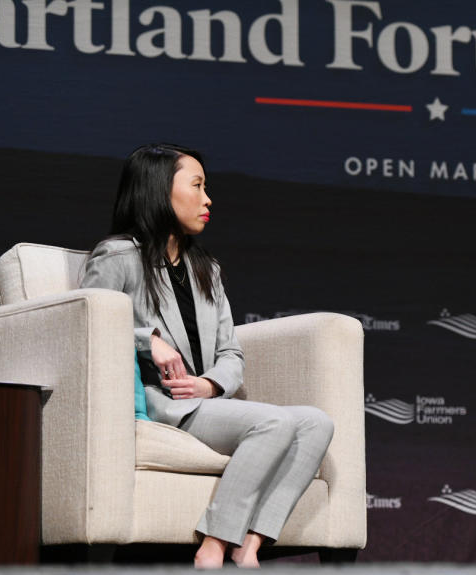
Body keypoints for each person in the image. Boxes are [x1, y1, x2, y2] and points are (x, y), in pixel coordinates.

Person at [80, 143, 334, 568]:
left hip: (204, 399)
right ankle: (213, 546)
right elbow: (88, 324)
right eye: (196, 186)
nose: (207, 198)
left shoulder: (206, 269)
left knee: (317, 422)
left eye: (206, 186)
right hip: (161, 403)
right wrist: (148, 340)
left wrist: (210, 383)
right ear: (160, 192)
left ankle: (248, 545)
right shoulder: (118, 256)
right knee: (273, 421)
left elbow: (231, 351)